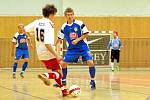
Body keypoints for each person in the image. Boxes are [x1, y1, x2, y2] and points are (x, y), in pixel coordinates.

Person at [24, 4, 69, 96]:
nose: (54, 17)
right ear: (51, 14)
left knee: (56, 70)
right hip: (48, 52)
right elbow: (47, 44)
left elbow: (25, 29)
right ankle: (46, 75)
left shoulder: (37, 22)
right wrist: (56, 55)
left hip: (40, 53)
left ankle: (64, 91)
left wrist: (31, 35)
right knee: (59, 73)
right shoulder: (49, 25)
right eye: (54, 15)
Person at [54, 7, 96, 89]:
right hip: (72, 49)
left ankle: (93, 81)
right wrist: (54, 46)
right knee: (63, 63)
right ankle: (63, 80)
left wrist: (77, 39)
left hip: (83, 47)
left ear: (73, 15)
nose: (70, 16)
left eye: (71, 14)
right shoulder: (64, 27)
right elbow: (59, 39)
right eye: (68, 15)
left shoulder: (79, 23)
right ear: (65, 16)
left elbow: (86, 33)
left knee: (90, 62)